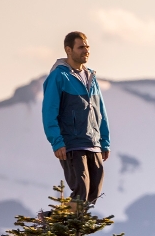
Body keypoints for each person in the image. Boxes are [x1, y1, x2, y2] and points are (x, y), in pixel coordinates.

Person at [41, 31, 111, 209]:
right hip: (71, 143)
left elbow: (100, 111)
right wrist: (57, 142)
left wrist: (104, 141)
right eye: (81, 47)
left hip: (93, 142)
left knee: (94, 191)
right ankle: (51, 226)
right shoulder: (59, 76)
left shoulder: (91, 77)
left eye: (87, 47)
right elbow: (49, 111)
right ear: (68, 50)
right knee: (81, 190)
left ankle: (61, 226)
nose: (86, 50)